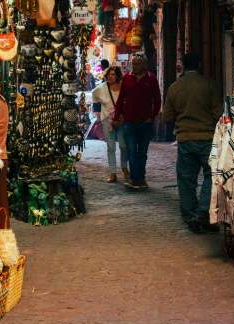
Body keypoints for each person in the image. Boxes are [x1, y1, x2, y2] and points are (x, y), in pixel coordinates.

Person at [162, 52, 223, 233]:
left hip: (185, 139)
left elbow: (167, 117)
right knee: (211, 176)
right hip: (207, 138)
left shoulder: (175, 87)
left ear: (183, 65)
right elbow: (218, 113)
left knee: (186, 180)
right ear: (199, 65)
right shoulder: (208, 84)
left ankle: (190, 217)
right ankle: (202, 213)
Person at [111, 53, 161, 191]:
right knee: (132, 151)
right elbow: (121, 99)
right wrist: (116, 117)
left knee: (142, 152)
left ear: (144, 65)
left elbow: (157, 100)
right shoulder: (127, 78)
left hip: (145, 122)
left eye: (138, 64)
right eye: (134, 64)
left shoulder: (151, 79)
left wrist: (152, 116)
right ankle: (134, 179)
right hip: (130, 121)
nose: (135, 66)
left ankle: (141, 179)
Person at [91, 66, 130, 183]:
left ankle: (124, 168)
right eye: (109, 74)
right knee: (111, 147)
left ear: (118, 76)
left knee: (123, 145)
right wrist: (99, 109)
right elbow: (94, 95)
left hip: (121, 119)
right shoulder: (101, 88)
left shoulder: (123, 87)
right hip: (107, 119)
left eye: (113, 74)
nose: (110, 76)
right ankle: (113, 172)